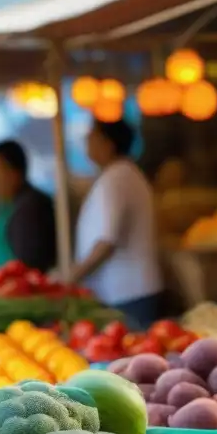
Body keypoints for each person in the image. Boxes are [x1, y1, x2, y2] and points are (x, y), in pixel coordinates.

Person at [70, 119, 163, 328]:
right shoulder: (122, 174)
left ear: (107, 144)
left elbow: (106, 241)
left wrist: (72, 276)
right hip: (129, 292)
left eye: (91, 137)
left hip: (128, 295)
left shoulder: (117, 178)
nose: (86, 142)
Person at [0, 140, 58, 273]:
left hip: (17, 289)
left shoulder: (32, 207)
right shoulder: (0, 205)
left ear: (15, 172)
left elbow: (31, 264)